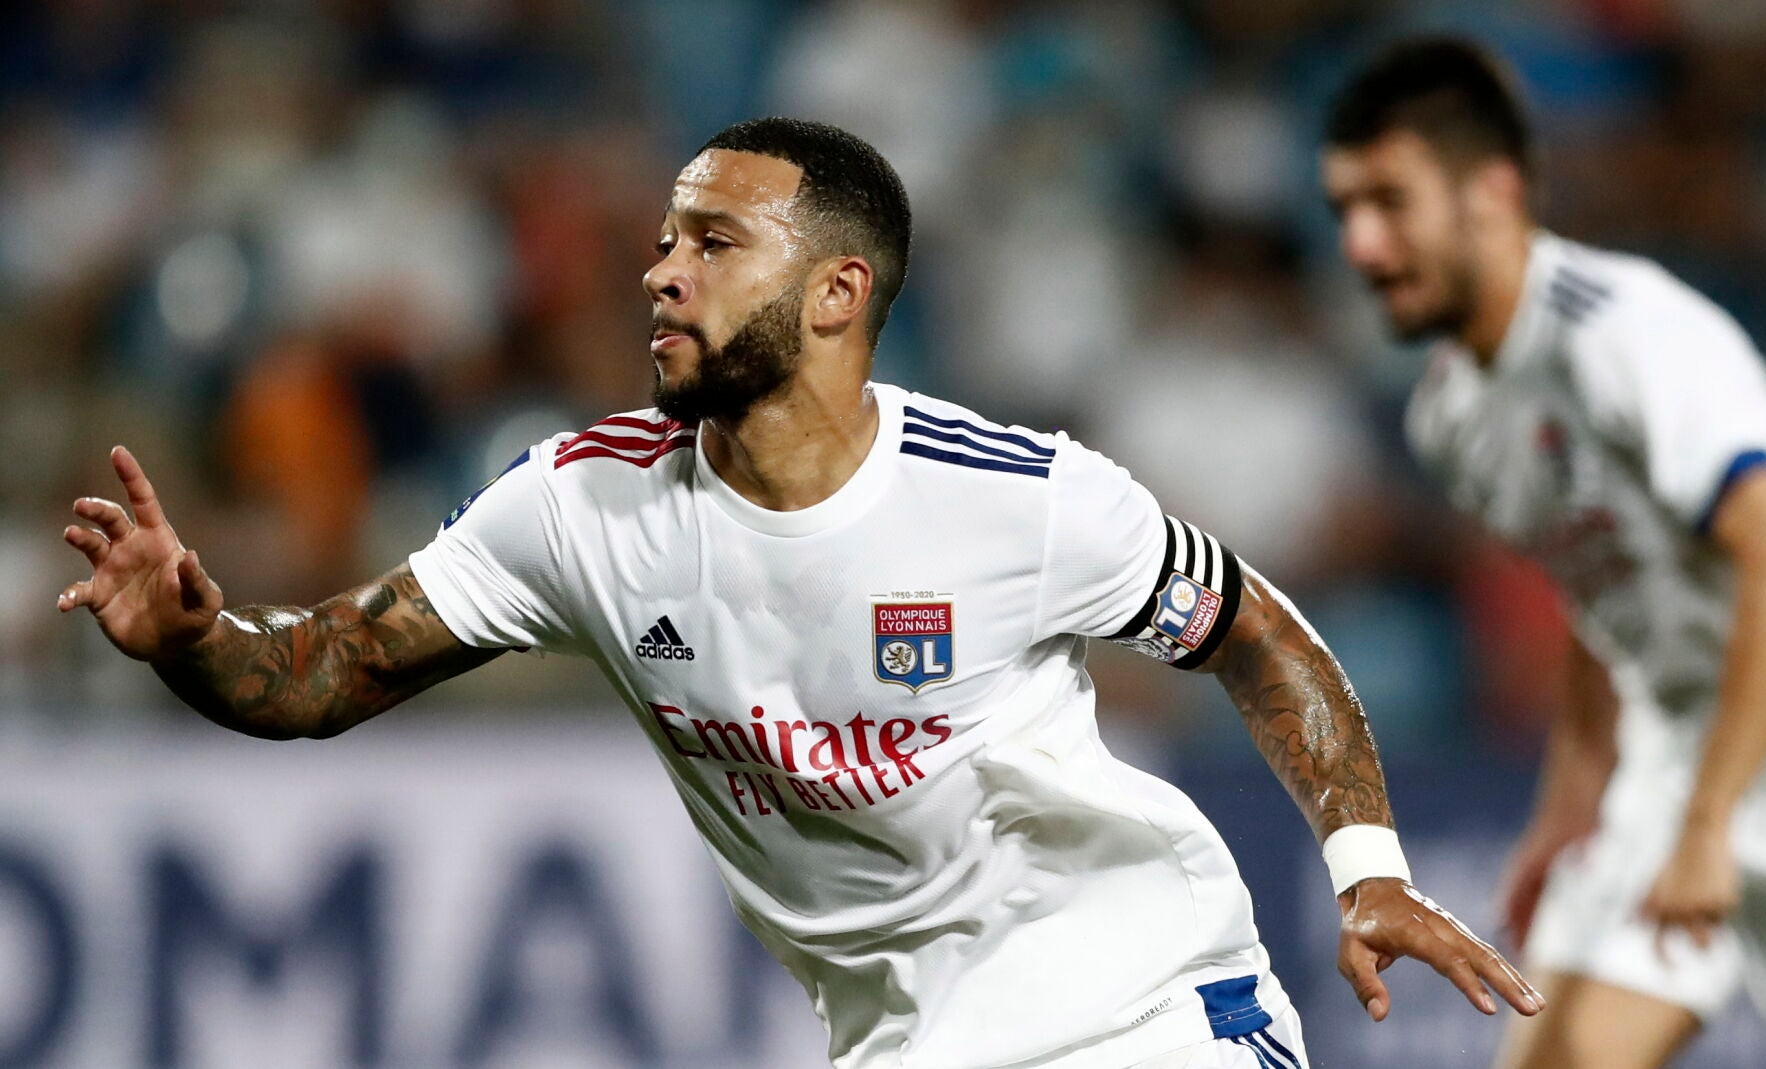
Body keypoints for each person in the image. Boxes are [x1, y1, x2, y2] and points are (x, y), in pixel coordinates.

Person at [57, 117, 1540, 1069]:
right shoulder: (578, 505)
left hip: (1144, 1008)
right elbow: (316, 675)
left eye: (712, 243)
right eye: (662, 242)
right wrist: (194, 638)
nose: (662, 273)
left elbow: (1254, 631)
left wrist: (1367, 866)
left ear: (838, 292)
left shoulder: (1017, 498)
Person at [1319, 38, 1766, 1069]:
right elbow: (1603, 594)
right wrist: (1569, 805)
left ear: (1492, 192)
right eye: (1344, 210)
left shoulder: (1622, 334)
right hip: (1678, 759)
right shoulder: (1451, 416)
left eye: (1390, 203)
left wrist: (1713, 821)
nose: (1361, 245)